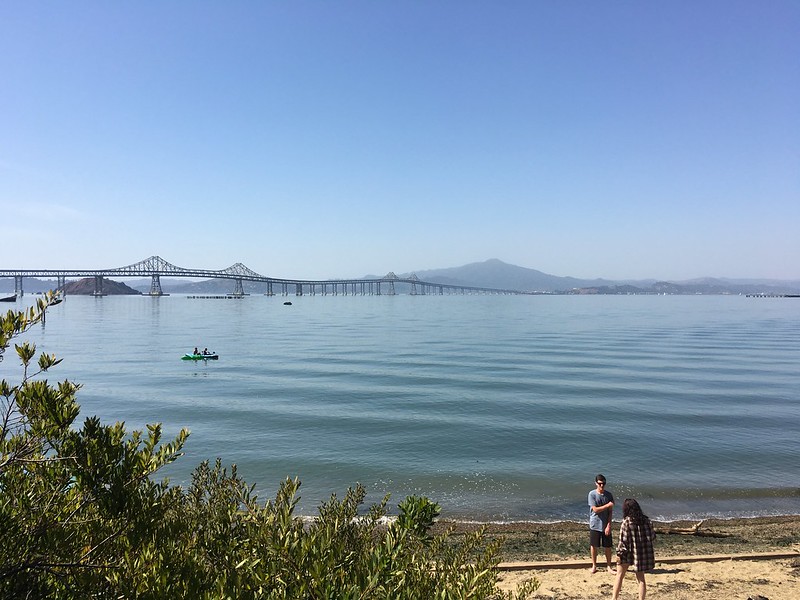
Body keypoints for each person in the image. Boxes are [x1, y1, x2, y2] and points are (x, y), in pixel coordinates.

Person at [612, 498, 656, 600]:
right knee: (641, 579)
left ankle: (614, 598)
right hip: (640, 553)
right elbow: (652, 537)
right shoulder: (647, 521)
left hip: (627, 552)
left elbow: (623, 541)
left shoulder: (626, 522)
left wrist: (619, 554)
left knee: (619, 576)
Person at [588, 474, 615, 573]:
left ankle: (609, 566)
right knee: (594, 546)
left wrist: (609, 525)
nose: (602, 485)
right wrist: (607, 505)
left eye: (603, 483)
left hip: (605, 525)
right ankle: (594, 565)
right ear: (596, 483)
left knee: (607, 546)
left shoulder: (609, 495)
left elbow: (610, 512)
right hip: (595, 524)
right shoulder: (592, 494)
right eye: (600, 483)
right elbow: (595, 510)